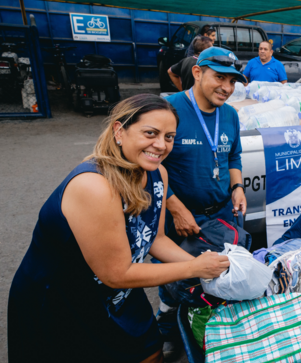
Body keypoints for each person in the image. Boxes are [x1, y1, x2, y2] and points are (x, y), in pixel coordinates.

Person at [7, 94, 230, 363]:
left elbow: (155, 239)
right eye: (150, 133)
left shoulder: (157, 173)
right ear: (119, 131)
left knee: (150, 350)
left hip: (117, 291)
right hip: (63, 300)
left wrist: (211, 267)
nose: (161, 145)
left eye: (169, 137)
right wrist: (194, 269)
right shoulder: (94, 186)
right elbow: (117, 273)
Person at [156, 46, 248, 358]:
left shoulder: (231, 115)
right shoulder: (170, 109)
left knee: (214, 275)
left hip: (220, 213)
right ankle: (167, 327)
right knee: (174, 277)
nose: (227, 87)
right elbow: (152, 163)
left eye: (232, 81)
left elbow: (233, 154)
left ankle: (209, 330)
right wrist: (174, 206)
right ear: (197, 73)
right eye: (219, 77)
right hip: (179, 217)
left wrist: (237, 186)